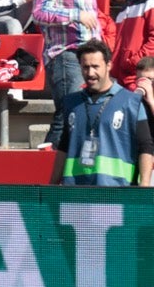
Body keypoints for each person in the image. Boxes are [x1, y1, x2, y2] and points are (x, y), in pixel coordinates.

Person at [48, 40, 154, 186]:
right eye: (85, 67)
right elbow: (64, 146)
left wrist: (145, 185)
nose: (90, 73)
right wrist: (52, 185)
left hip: (118, 192)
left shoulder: (132, 102)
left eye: (95, 67)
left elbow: (146, 147)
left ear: (108, 66)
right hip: (75, 193)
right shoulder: (70, 103)